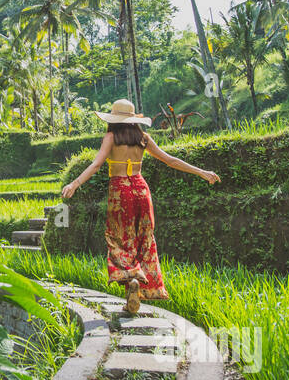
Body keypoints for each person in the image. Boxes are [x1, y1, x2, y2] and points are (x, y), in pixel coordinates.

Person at [60, 99, 220, 314]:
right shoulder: (143, 138)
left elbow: (96, 164)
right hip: (141, 190)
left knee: (119, 237)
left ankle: (132, 277)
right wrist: (203, 172)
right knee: (143, 238)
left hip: (120, 191)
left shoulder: (111, 137)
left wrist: (74, 183)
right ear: (134, 119)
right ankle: (136, 291)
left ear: (113, 119)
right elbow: (170, 160)